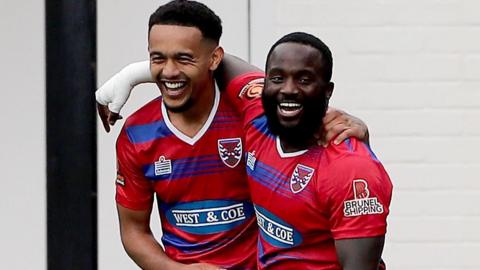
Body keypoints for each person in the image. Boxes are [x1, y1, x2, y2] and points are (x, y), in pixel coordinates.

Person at [98, 1, 371, 269]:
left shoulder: (252, 113)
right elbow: (134, 231)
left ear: (214, 58)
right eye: (157, 58)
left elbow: (290, 95)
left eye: (184, 58)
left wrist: (344, 125)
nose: (169, 71)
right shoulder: (136, 133)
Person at [221, 32, 393, 269]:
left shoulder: (351, 168)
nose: (288, 89)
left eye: (304, 80)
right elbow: (214, 57)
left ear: (327, 90)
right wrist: (152, 70)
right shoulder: (257, 118)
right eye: (278, 78)